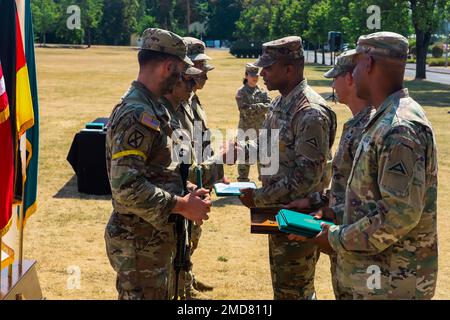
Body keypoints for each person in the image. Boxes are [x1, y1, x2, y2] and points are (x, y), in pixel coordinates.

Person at [291, 32, 438, 300]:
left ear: (368, 63)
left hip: (391, 283)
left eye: (356, 65)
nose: (351, 74)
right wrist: (334, 215)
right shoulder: (383, 119)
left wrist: (335, 238)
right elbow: (370, 197)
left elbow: (400, 213)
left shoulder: (399, 127)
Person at [104, 28, 212, 300]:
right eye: (180, 72)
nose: (183, 79)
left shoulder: (154, 108)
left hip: (155, 242)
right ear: (168, 66)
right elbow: (126, 188)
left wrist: (185, 188)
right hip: (140, 246)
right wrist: (182, 205)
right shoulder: (136, 114)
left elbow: (156, 170)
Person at [239, 36, 337, 300]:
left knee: (295, 292)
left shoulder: (310, 112)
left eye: (269, 68)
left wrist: (257, 198)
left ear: (290, 69)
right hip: (278, 213)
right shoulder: (280, 103)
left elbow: (306, 177)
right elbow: (268, 147)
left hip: (300, 219)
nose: (262, 73)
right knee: (284, 288)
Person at [284, 49, 372, 300]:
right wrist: (316, 203)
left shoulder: (370, 128)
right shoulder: (355, 125)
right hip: (347, 247)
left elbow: (372, 202)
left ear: (350, 79)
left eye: (335, 78)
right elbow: (347, 189)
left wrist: (329, 231)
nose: (332, 83)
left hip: (362, 251)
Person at [235, 63, 271, 182]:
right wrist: (260, 107)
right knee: (244, 158)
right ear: (246, 76)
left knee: (263, 158)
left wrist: (255, 106)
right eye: (252, 75)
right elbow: (244, 110)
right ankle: (243, 183)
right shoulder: (241, 92)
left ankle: (264, 183)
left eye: (256, 75)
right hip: (246, 130)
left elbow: (269, 106)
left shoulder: (262, 91)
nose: (255, 77)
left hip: (261, 130)